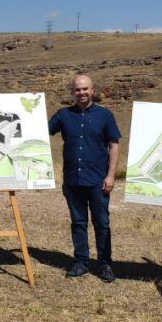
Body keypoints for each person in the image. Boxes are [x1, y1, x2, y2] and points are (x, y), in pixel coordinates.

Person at [48, 73, 122, 282]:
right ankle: (81, 262)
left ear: (92, 90)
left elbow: (114, 145)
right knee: (78, 222)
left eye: (85, 89)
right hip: (72, 180)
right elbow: (41, 131)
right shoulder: (63, 115)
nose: (81, 92)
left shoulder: (104, 115)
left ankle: (105, 264)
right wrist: (31, 107)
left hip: (98, 180)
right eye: (77, 89)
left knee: (102, 223)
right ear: (72, 92)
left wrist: (111, 175)